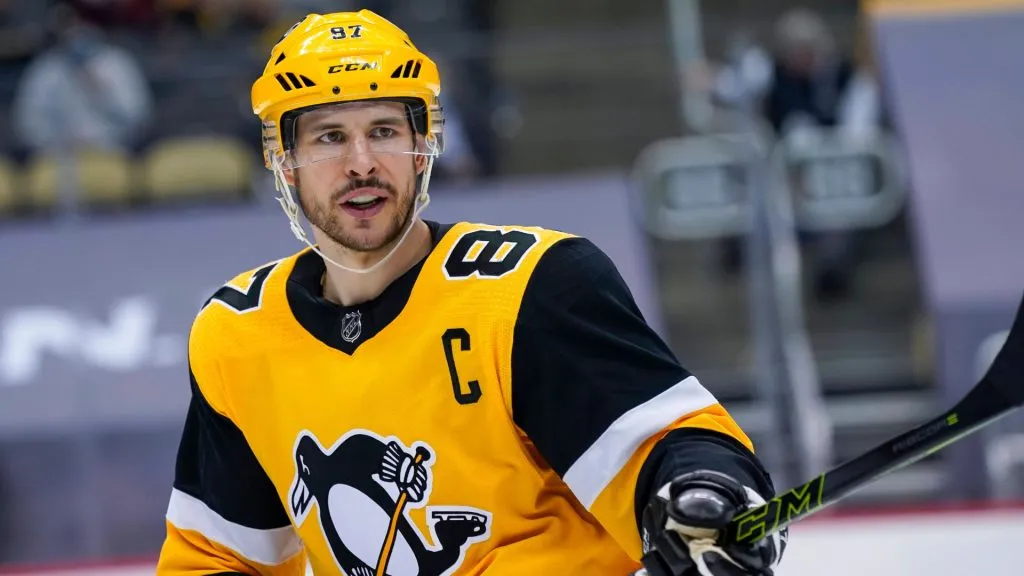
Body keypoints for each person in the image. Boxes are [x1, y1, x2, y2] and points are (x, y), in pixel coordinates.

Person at [155, 10, 785, 576]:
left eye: (383, 131)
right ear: (284, 161)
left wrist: (706, 490)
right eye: (328, 137)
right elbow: (217, 556)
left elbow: (661, 446)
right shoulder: (238, 334)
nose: (362, 163)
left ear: (424, 146)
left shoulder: (530, 286)